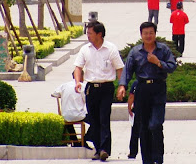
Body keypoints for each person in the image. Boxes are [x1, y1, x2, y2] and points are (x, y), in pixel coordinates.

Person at [117, 22, 177, 164]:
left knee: (155, 124)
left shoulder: (163, 50)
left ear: (155, 34)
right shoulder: (136, 52)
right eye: (145, 33)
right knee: (144, 127)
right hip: (142, 89)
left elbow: (172, 66)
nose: (148, 36)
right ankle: (147, 160)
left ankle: (158, 156)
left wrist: (158, 62)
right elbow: (128, 70)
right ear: (141, 35)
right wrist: (122, 86)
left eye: (151, 33)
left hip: (158, 88)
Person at [74, 21, 124, 161]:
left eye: (90, 33)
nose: (88, 35)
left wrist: (122, 86)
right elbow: (78, 67)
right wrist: (78, 82)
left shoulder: (111, 49)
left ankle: (104, 149)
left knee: (104, 118)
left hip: (106, 88)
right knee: (94, 119)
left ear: (99, 34)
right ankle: (97, 148)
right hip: (91, 88)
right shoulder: (85, 49)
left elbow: (120, 69)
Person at [51, 74, 91, 148]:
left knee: (68, 120)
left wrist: (63, 95)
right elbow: (87, 100)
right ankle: (85, 138)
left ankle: (75, 141)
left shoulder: (64, 85)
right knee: (95, 122)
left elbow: (53, 94)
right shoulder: (83, 86)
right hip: (79, 115)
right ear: (82, 76)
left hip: (66, 115)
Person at [127, 80, 140, 159]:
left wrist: (129, 108)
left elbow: (131, 96)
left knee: (135, 132)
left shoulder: (136, 83)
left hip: (138, 109)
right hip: (149, 109)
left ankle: (133, 152)